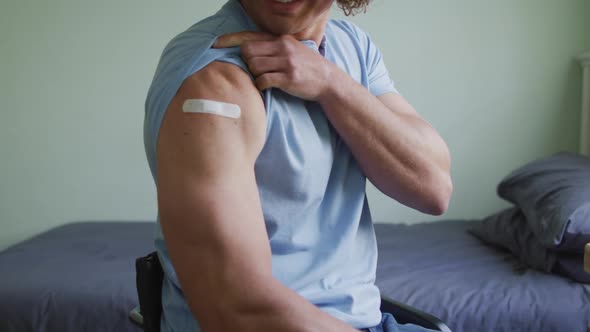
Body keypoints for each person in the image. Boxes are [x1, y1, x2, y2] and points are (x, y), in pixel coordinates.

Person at [143, 0, 452, 331]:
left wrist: (331, 84)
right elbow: (235, 308)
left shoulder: (351, 47)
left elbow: (433, 188)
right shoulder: (214, 84)